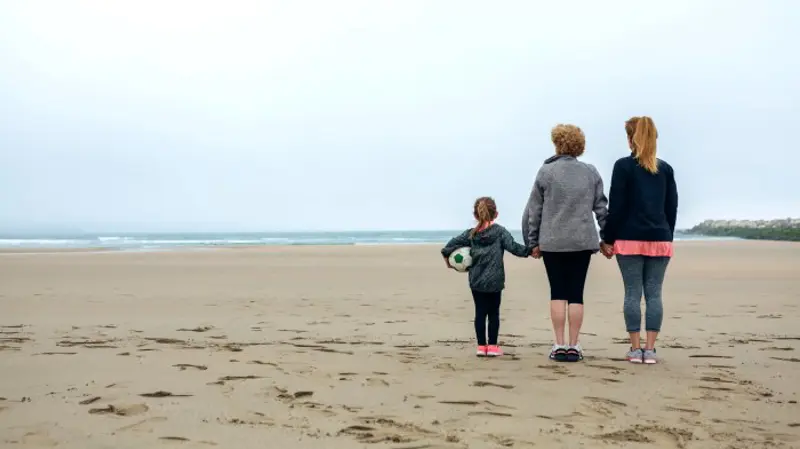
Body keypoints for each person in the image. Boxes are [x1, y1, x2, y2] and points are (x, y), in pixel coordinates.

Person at [522, 124, 609, 363]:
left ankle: (559, 344)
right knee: (576, 294)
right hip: (581, 240)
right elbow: (601, 207)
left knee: (557, 292)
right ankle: (574, 345)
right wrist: (607, 238)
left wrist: (532, 242)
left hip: (552, 241)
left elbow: (534, 211)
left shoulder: (546, 172)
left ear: (557, 143)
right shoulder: (590, 172)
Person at [602, 116, 678, 365]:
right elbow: (671, 208)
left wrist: (608, 238)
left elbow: (617, 207)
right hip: (660, 238)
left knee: (632, 293)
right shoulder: (665, 169)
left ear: (630, 138)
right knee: (654, 294)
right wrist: (667, 236)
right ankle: (651, 349)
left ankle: (635, 349)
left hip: (629, 238)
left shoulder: (623, 167)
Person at [441, 197, 532, 357]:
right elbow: (515, 248)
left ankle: (481, 347)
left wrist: (448, 261)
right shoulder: (500, 232)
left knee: (480, 313)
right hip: (495, 280)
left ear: (476, 215)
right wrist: (531, 251)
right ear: (496, 214)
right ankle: (493, 347)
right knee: (494, 313)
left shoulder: (471, 234)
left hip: (476, 280)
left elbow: (448, 247)